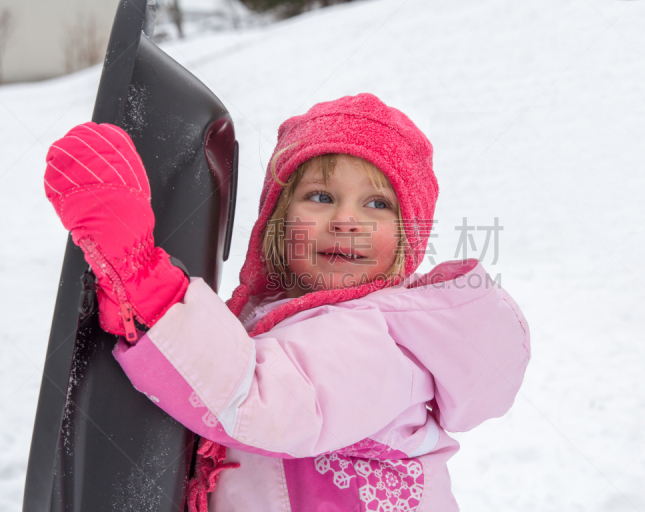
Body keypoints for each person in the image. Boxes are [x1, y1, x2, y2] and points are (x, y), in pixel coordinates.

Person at [43, 93, 531, 512]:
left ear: (407, 241)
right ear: (276, 223)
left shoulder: (382, 339)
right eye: (320, 197)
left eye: (377, 204)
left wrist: (142, 275)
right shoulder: (283, 321)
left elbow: (257, 400)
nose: (346, 220)